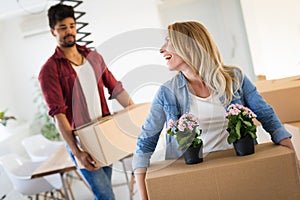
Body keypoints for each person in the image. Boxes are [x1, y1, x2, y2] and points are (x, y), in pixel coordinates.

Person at [132, 21, 299, 200]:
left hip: (241, 169)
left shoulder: (234, 78)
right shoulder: (167, 93)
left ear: (188, 45)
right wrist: (143, 196)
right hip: (194, 178)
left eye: (168, 41)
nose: (161, 49)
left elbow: (267, 117)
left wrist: (294, 163)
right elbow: (145, 142)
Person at [39, 3, 134, 200]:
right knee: (106, 194)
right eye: (63, 28)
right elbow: (59, 115)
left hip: (105, 133)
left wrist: (134, 113)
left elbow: (115, 88)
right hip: (83, 140)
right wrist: (77, 151)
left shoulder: (93, 57)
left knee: (107, 191)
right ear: (52, 31)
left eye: (72, 26)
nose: (69, 32)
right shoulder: (49, 70)